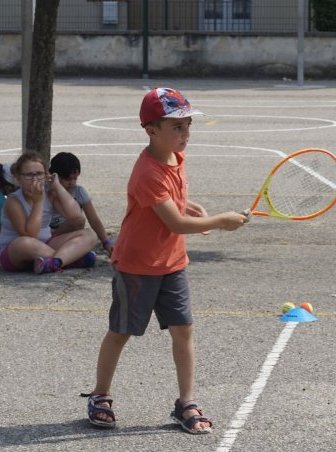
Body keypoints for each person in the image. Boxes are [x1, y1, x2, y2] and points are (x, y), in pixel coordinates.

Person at [83, 87, 248, 432]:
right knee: (120, 332)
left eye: (188, 126)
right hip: (137, 267)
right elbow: (173, 222)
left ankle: (185, 402)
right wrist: (219, 221)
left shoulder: (176, 157)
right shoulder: (148, 171)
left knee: (183, 330)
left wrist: (192, 206)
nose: (185, 134)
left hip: (172, 263)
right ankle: (100, 395)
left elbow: (172, 206)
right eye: (177, 127)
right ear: (151, 130)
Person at [0, 150, 99, 274]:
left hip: (46, 243)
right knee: (24, 243)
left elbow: (75, 217)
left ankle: (54, 262)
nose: (35, 179)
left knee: (90, 235)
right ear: (18, 178)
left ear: (46, 175)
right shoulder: (13, 201)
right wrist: (38, 202)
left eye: (39, 174)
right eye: (29, 175)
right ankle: (71, 259)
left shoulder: (49, 194)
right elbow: (30, 235)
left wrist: (57, 187)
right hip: (15, 252)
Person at [49, 152, 114, 256]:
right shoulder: (48, 192)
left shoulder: (78, 192)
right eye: (68, 179)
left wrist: (106, 242)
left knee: (87, 231)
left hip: (69, 236)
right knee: (77, 220)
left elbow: (94, 220)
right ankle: (71, 254)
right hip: (49, 235)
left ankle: (72, 253)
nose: (72, 183)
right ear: (55, 176)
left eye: (75, 179)